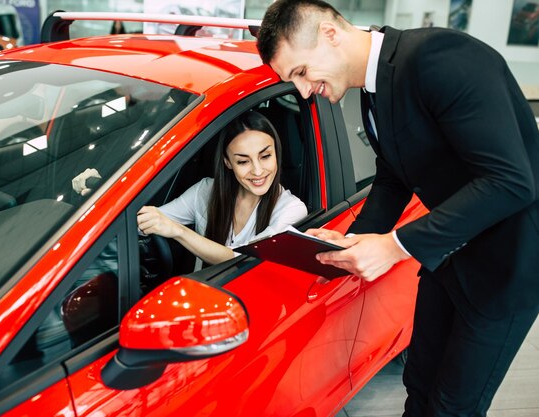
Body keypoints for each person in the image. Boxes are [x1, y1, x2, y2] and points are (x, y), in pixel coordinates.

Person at [257, 1, 538, 417]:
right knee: (419, 385)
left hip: (507, 267)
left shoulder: (441, 58)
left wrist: (393, 245)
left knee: (453, 407)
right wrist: (353, 239)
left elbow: (511, 182)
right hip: (446, 257)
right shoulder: (374, 89)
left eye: (300, 72)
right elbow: (394, 177)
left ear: (330, 35)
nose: (301, 90)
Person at [137, 110, 307, 267]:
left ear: (276, 153)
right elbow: (150, 220)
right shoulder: (205, 191)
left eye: (265, 156)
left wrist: (178, 231)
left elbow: (243, 261)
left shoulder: (291, 209)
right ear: (228, 162)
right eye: (243, 161)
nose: (257, 170)